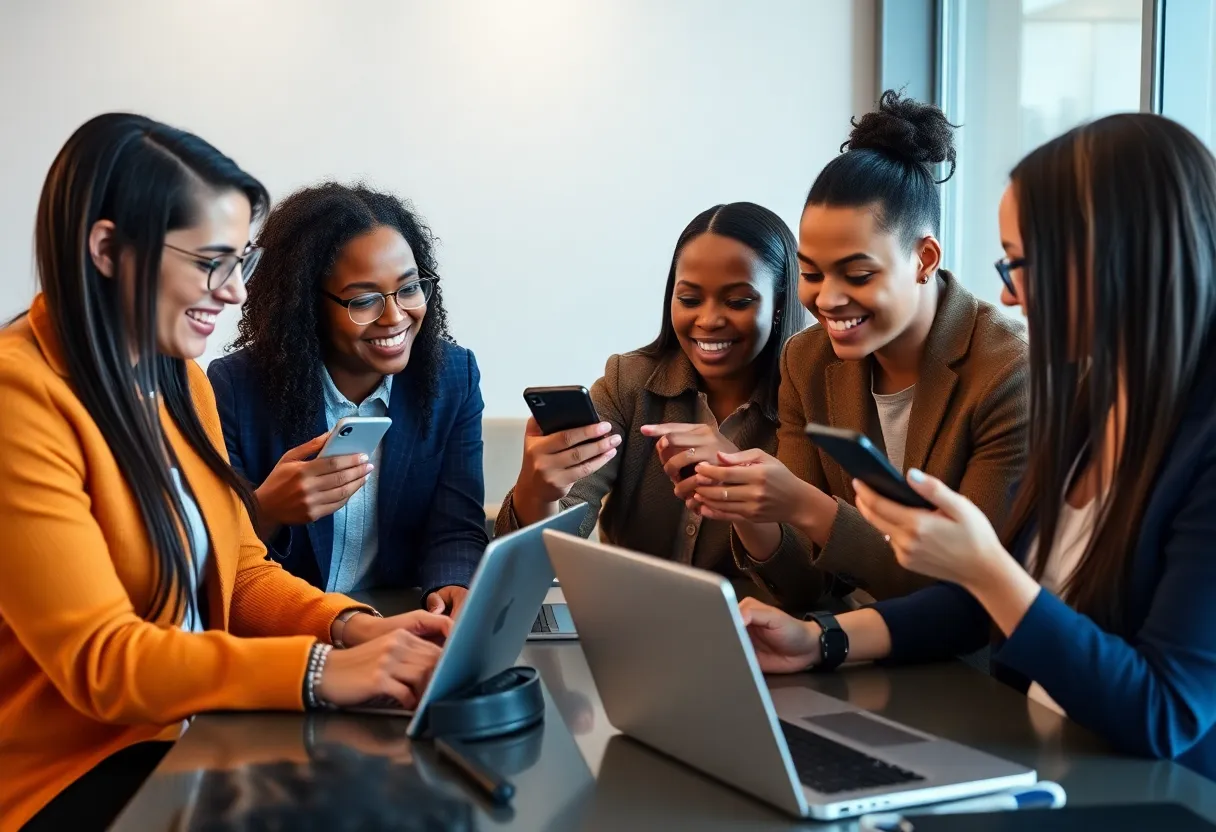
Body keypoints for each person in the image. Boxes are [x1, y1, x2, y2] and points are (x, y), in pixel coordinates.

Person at [0, 115, 452, 832]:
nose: (238, 291)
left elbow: (238, 571)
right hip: (71, 775)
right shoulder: (18, 399)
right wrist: (317, 671)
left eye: (242, 261)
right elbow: (102, 662)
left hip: (194, 731)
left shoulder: (179, 380)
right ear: (108, 250)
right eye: (213, 262)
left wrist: (352, 628)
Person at [738, 113, 1216, 778]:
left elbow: (1165, 712)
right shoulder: (1090, 400)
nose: (1008, 293)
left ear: (1114, 258)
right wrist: (821, 640)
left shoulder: (1185, 439)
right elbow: (982, 604)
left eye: (1020, 264)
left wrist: (985, 566)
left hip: (1151, 794)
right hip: (1037, 754)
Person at [690, 90, 1028, 609]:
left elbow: (967, 592)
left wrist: (807, 506)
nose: (827, 300)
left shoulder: (1007, 372)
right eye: (811, 274)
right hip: (847, 646)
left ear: (924, 259)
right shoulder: (806, 361)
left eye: (858, 274)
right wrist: (749, 506)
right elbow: (806, 586)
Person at [495, 203, 806, 594]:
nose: (708, 320)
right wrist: (537, 493)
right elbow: (531, 568)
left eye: (738, 301)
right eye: (689, 299)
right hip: (629, 618)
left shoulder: (807, 401)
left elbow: (806, 583)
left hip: (754, 628)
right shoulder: (628, 383)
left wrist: (738, 486)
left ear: (779, 305)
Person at [208, 184, 486, 616]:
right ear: (305, 303)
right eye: (364, 300)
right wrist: (267, 511)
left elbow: (456, 528)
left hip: (403, 622)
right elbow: (211, 558)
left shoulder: (453, 377)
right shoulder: (234, 387)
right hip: (291, 627)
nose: (395, 316)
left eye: (409, 288)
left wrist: (452, 583)